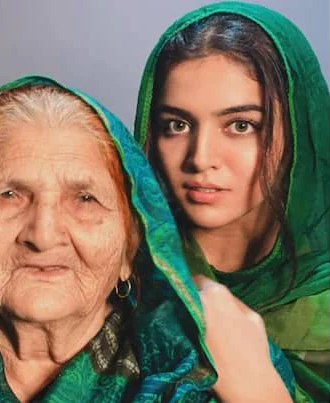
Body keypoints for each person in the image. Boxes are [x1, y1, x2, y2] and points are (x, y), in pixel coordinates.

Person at [0, 76, 293, 402]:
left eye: (85, 199)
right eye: (8, 194)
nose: (43, 234)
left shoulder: (198, 375)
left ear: (131, 247)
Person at [133, 2, 329, 401]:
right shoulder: (115, 274)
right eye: (177, 125)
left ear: (299, 128)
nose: (201, 157)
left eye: (241, 125)